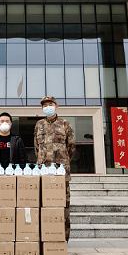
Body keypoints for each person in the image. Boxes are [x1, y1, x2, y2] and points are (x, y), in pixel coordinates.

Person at [34, 96, 75, 242]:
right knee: (42, 203)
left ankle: (63, 239)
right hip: (43, 172)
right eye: (45, 105)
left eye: (50, 104)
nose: (48, 107)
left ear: (56, 106)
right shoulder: (39, 125)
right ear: (42, 108)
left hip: (61, 173)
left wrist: (62, 163)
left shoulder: (65, 124)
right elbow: (37, 148)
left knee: (63, 206)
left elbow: (71, 147)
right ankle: (44, 239)